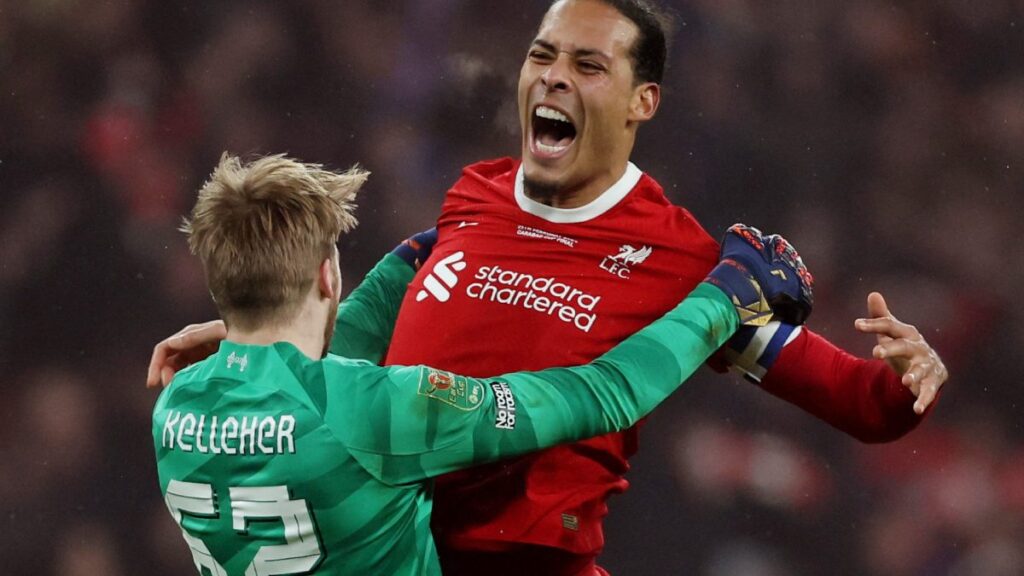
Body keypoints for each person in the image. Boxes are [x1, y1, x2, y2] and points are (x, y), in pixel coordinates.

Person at [149, 1, 948, 574]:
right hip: (391, 544)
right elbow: (370, 328)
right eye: (543, 54)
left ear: (643, 102)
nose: (553, 77)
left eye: (587, 64)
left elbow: (860, 402)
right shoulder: (475, 196)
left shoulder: (681, 259)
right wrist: (258, 343)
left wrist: (907, 380)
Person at [153, 151, 812, 575]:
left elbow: (309, 369)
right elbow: (599, 395)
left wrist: (445, 243)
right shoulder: (377, 408)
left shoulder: (176, 406)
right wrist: (726, 298)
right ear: (328, 275)